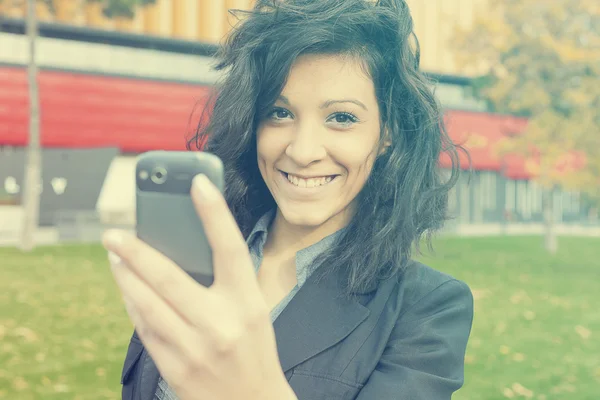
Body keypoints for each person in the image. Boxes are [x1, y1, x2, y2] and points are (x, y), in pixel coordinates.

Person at [103, 1, 474, 399]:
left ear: (387, 135)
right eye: (279, 113)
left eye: (342, 118)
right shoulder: (194, 259)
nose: (302, 150)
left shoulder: (425, 310)